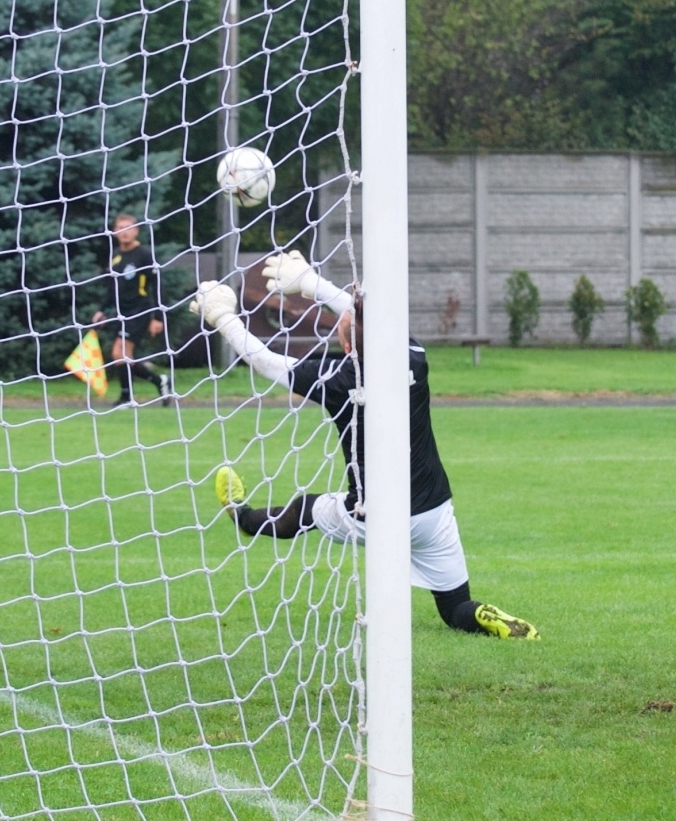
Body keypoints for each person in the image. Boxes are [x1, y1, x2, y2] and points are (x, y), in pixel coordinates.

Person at [190, 251, 538, 639]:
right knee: (455, 607)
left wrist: (222, 316)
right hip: (434, 513)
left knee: (304, 509)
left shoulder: (338, 380)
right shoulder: (414, 357)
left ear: (346, 339)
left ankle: (242, 517)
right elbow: (377, 324)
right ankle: (486, 616)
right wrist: (312, 283)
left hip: (376, 517)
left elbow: (267, 362)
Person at [92, 214, 172, 407]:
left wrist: (157, 317)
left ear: (136, 231)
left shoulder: (144, 255)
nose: (124, 232)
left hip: (140, 310)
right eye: (120, 228)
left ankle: (127, 397)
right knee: (121, 355)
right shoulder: (115, 256)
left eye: (129, 228)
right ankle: (159, 381)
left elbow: (157, 286)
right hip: (121, 312)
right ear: (114, 232)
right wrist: (102, 310)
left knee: (119, 352)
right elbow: (113, 287)